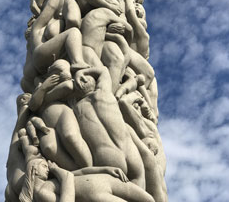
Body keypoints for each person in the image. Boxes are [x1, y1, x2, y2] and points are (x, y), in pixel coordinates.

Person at [73, 66, 146, 187]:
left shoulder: (76, 109)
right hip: (130, 151)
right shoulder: (104, 94)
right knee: (139, 187)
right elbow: (104, 70)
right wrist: (81, 72)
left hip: (107, 156)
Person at [19, 159, 155, 202]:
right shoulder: (42, 192)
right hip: (97, 194)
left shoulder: (53, 181)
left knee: (150, 200)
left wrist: (106, 169)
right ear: (33, 170)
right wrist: (58, 170)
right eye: (44, 166)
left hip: (107, 180)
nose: (48, 168)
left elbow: (81, 172)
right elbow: (68, 196)